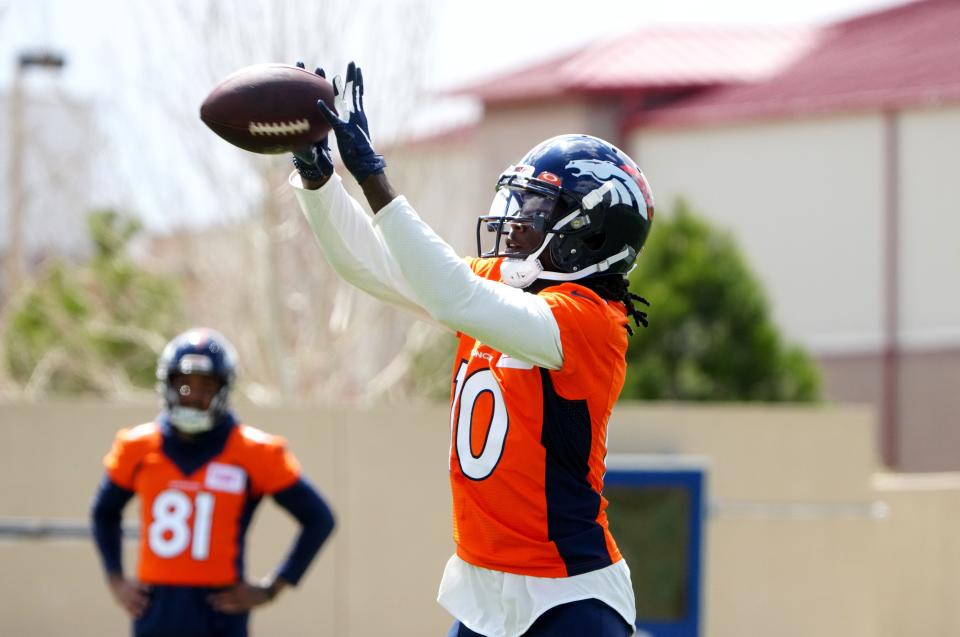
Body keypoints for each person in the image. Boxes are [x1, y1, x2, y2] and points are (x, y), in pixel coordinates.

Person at [290, 61, 654, 637]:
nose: (513, 222)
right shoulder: (504, 285)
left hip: (566, 596)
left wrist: (375, 177)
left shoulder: (591, 323)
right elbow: (371, 266)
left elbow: (451, 296)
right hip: (483, 589)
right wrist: (319, 177)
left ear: (590, 229)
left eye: (535, 209)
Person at [90, 328, 335, 637]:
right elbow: (103, 512)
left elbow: (319, 519)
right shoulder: (138, 446)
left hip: (219, 615)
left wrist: (271, 588)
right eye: (184, 385)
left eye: (206, 386)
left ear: (223, 390)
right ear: (167, 386)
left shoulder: (253, 452)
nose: (194, 395)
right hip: (157, 612)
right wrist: (116, 580)